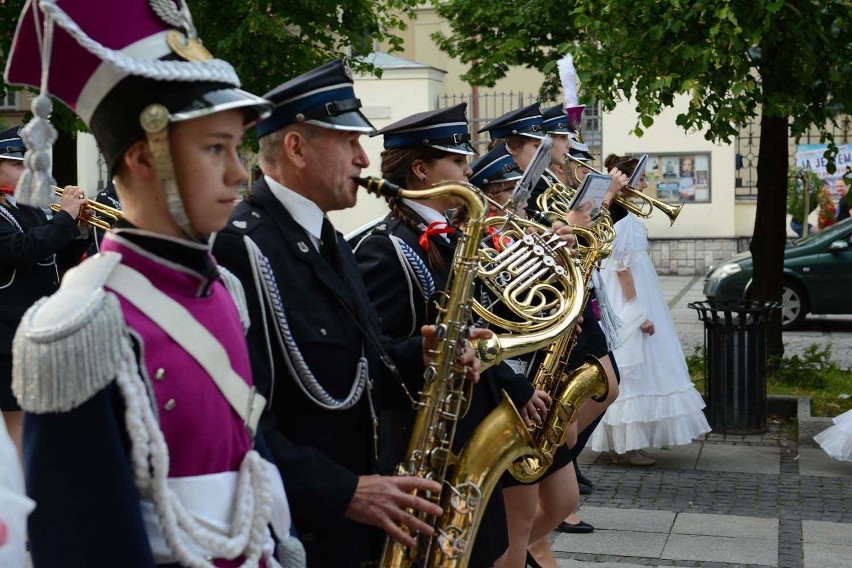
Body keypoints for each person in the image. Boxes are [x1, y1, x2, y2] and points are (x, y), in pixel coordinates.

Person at [5, 1, 302, 565]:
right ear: (144, 157)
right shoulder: (78, 324)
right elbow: (83, 544)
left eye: (236, 148)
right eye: (216, 148)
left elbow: (246, 464)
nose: (240, 173)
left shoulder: (221, 288)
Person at [211, 62, 482, 567]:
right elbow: (240, 423)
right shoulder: (240, 247)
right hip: (304, 528)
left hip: (356, 523)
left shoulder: (328, 237)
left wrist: (422, 356)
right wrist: (344, 492)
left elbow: (360, 365)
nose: (364, 158)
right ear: (295, 147)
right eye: (350, 142)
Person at [590, 154, 710, 464]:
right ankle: (624, 447)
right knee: (633, 371)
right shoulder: (622, 219)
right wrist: (638, 313)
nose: (646, 185)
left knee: (636, 371)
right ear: (628, 184)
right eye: (641, 179)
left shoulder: (625, 217)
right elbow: (621, 267)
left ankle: (625, 444)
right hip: (631, 301)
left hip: (637, 296)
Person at [0, 125, 90, 461]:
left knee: (42, 421)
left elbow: (51, 258)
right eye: (18, 165)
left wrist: (77, 223)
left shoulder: (30, 206)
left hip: (37, 326)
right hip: (7, 335)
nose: (28, 173)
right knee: (18, 428)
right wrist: (64, 218)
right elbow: (22, 250)